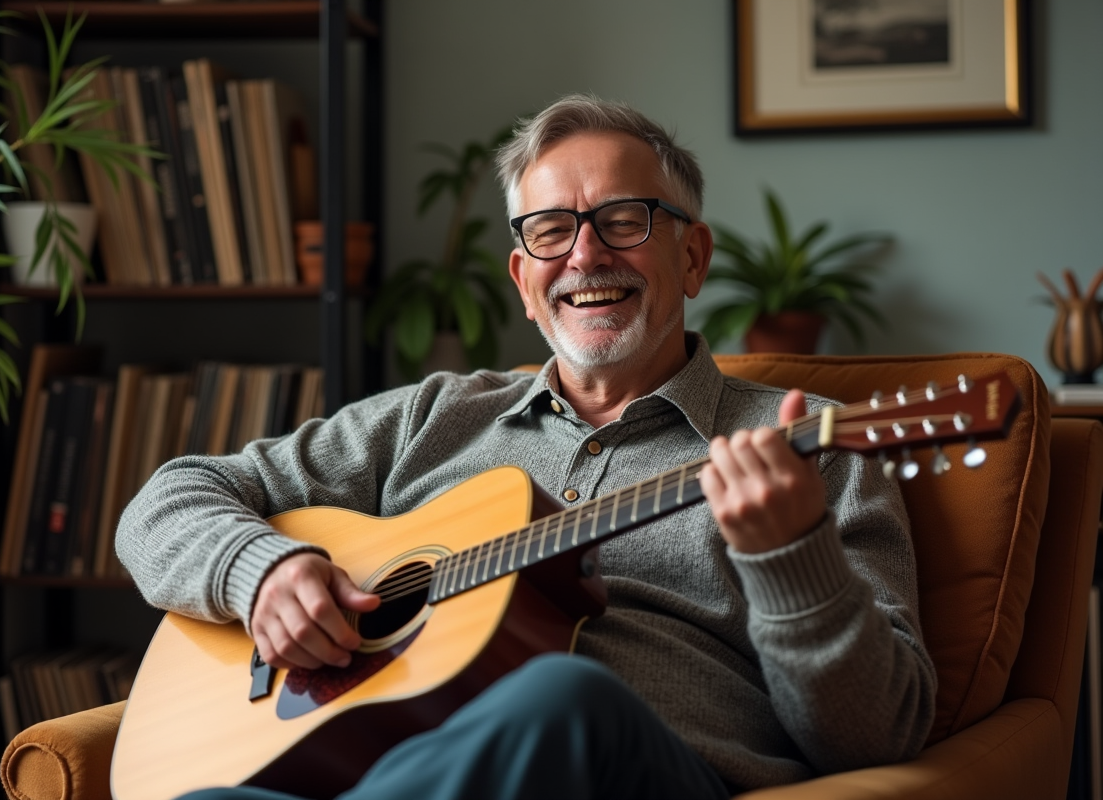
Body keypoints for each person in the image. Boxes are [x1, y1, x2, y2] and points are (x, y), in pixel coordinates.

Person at [116, 93, 937, 800]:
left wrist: (792, 555)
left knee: (565, 700)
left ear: (691, 257)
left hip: (644, 768)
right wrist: (260, 571)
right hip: (384, 765)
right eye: (551, 230)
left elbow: (881, 734)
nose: (584, 254)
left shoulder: (813, 449)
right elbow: (169, 498)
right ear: (523, 281)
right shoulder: (434, 415)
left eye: (623, 220)